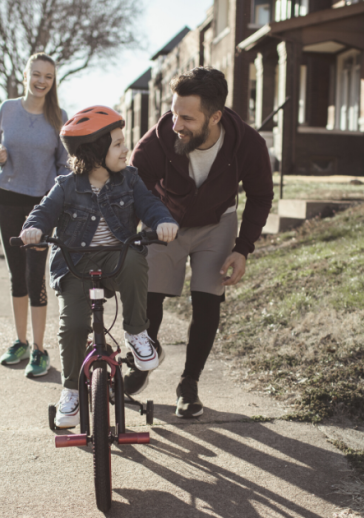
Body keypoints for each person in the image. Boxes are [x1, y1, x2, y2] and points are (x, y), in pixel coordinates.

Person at [127, 67, 274, 418]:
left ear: (215, 116)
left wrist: (242, 249)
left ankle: (189, 384)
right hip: (165, 221)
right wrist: (124, 237)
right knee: (150, 294)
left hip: (216, 223)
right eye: (174, 112)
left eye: (187, 118)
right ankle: (144, 360)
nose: (176, 123)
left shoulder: (247, 144)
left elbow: (261, 195)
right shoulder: (156, 141)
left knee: (208, 299)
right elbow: (131, 189)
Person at [20, 106, 179, 428]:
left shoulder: (130, 180)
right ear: (94, 153)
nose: (126, 149)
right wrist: (33, 229)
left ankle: (136, 333)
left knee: (135, 257)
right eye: (118, 144)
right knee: (75, 326)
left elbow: (150, 205)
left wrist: (162, 221)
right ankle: (71, 391)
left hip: (115, 257)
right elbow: (43, 212)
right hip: (75, 263)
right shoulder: (66, 186)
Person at [0, 53, 70, 378]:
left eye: (48, 77)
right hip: (7, 197)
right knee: (16, 273)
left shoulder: (58, 116)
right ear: (26, 75)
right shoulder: (8, 109)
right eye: (36, 75)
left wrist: (60, 196)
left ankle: (39, 349)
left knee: (36, 274)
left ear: (53, 81)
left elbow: (64, 162)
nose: (41, 81)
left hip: (41, 205)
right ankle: (20, 341)